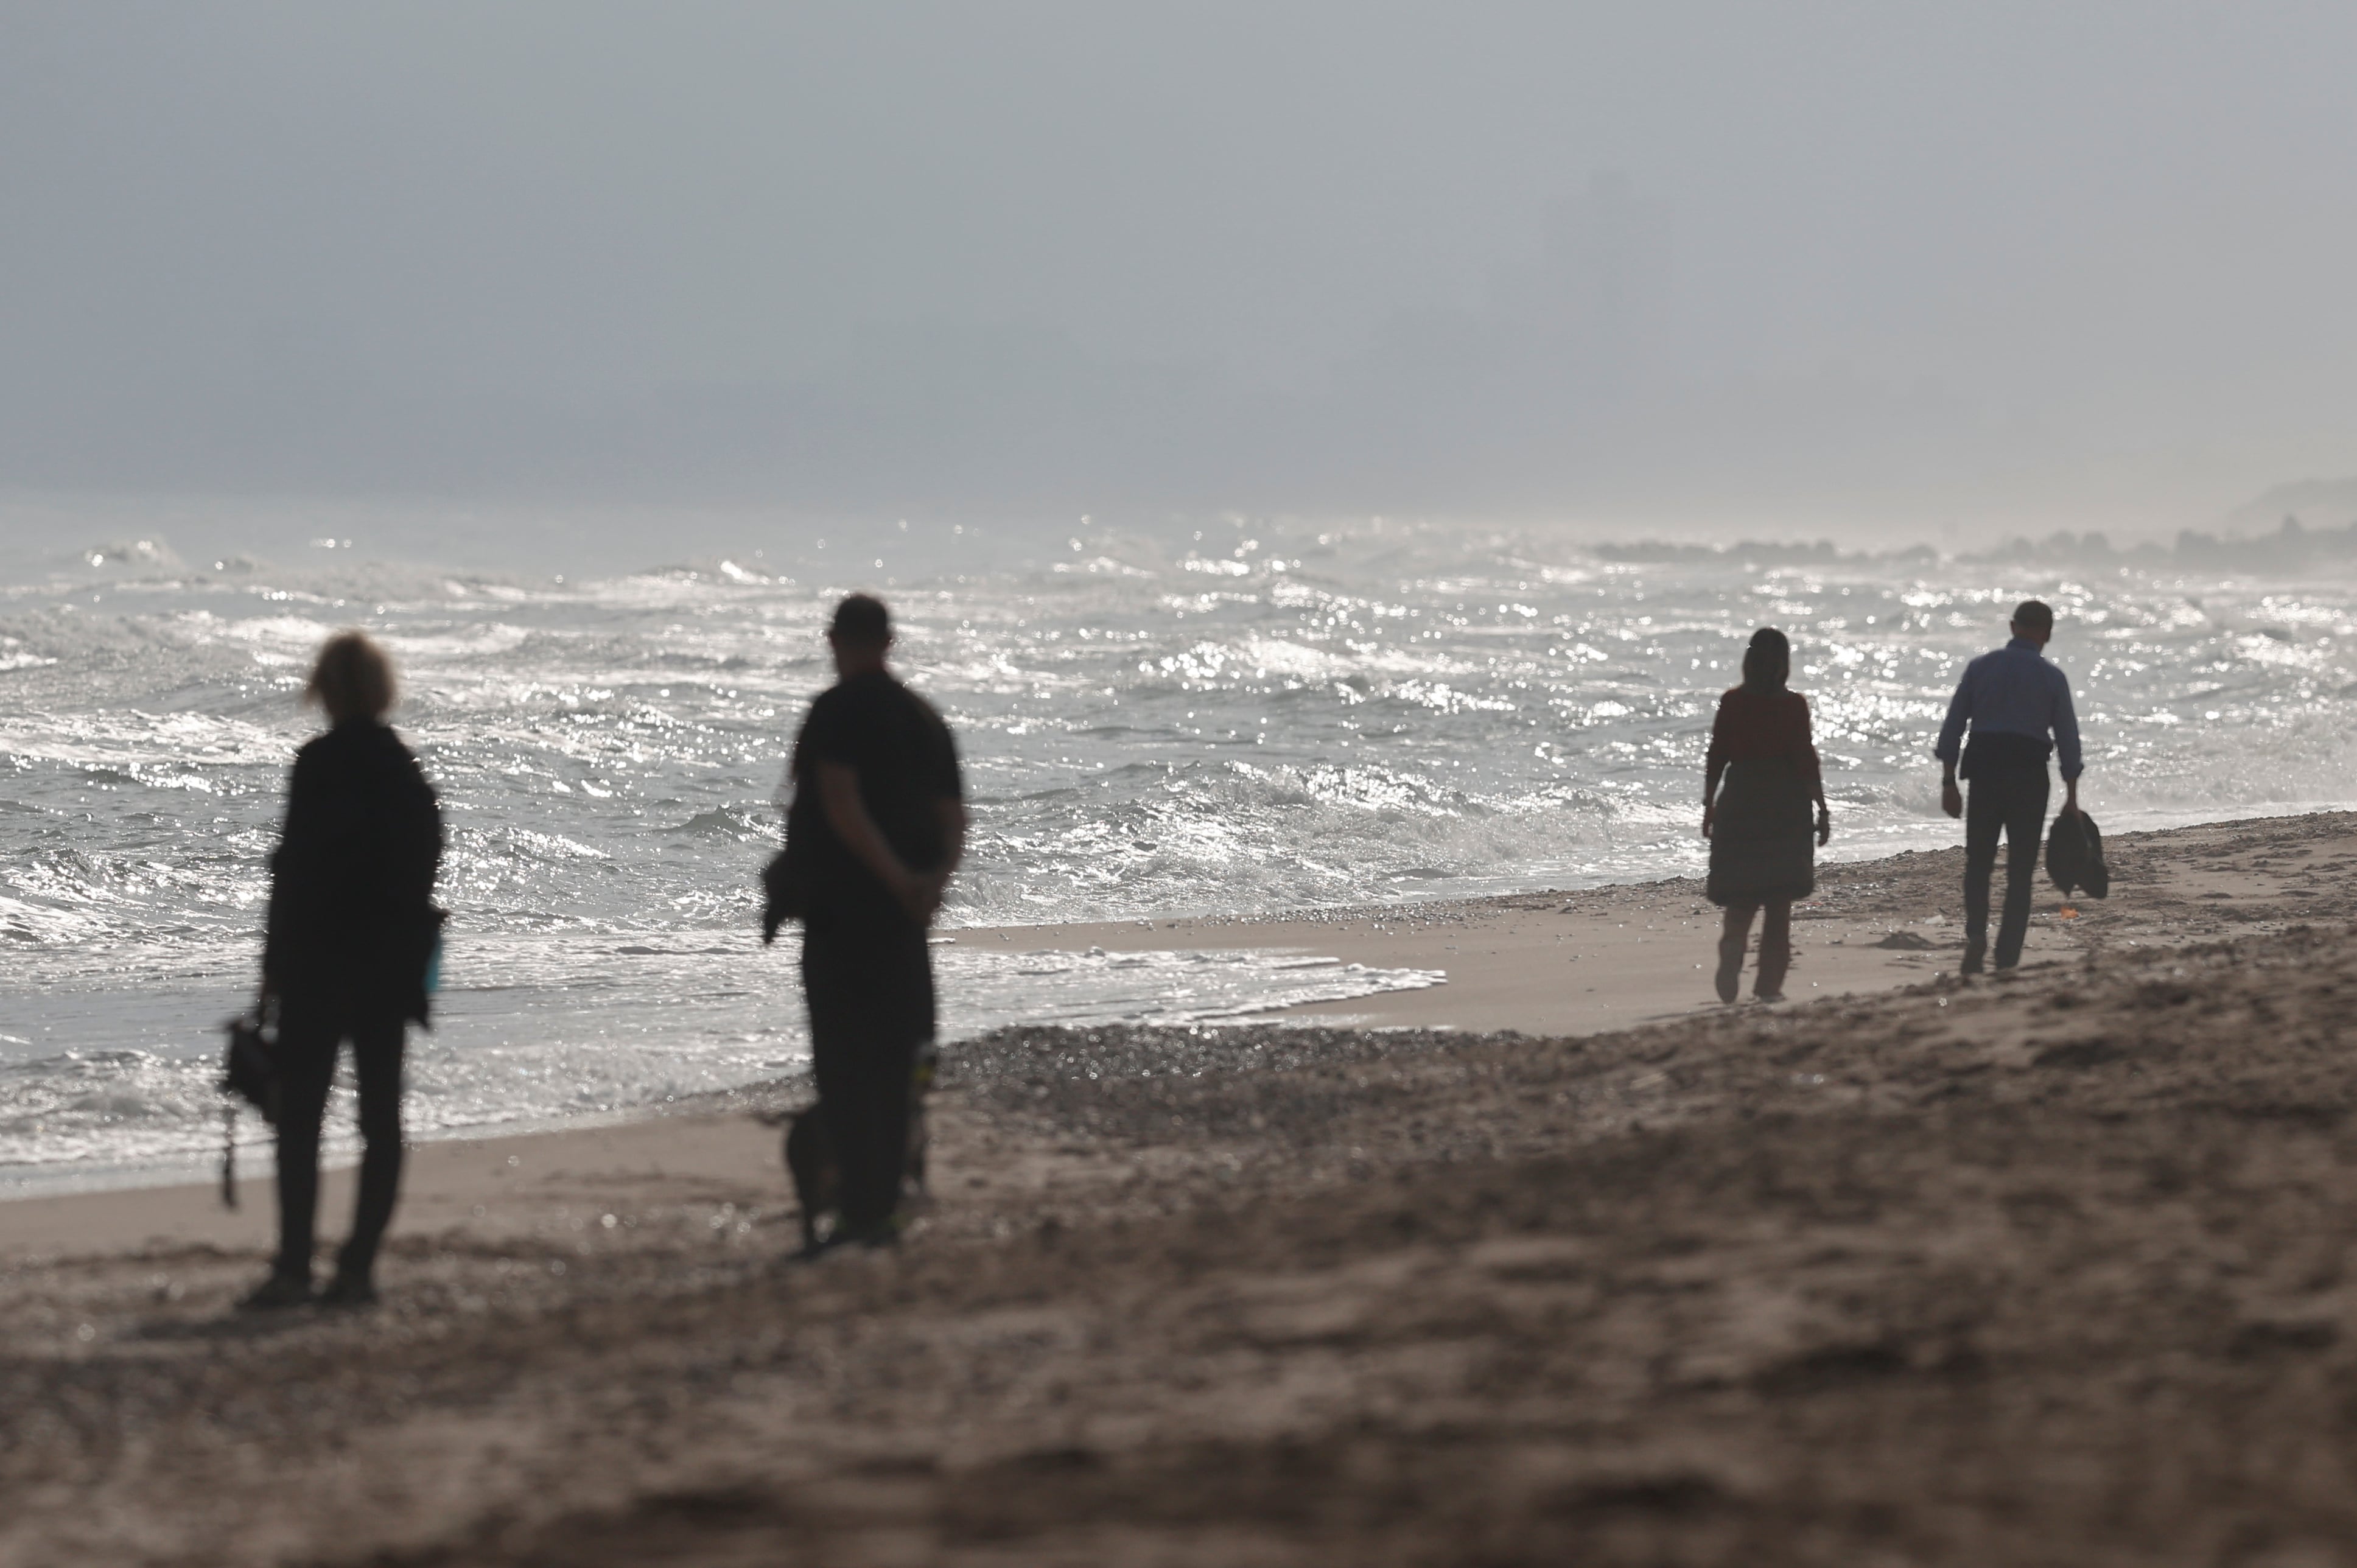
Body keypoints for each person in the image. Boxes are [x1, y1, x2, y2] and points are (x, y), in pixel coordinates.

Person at [242, 632, 443, 1311]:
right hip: (387, 967)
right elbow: (424, 869)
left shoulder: (317, 763)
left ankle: (295, 1266)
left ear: (324, 688)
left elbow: (294, 874)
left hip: (317, 965)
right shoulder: (403, 768)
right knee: (380, 1120)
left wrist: (271, 969)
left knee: (301, 1119)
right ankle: (358, 1267)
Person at [785, 594, 965, 1250]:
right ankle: (886, 1202)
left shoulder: (835, 712)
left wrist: (891, 877)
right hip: (904, 920)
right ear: (889, 641)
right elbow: (953, 819)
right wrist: (927, 885)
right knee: (900, 1061)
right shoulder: (923, 718)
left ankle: (861, 1208)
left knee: (845, 1062)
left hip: (842, 916)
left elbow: (838, 800)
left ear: (834, 638)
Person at [1935, 599, 2082, 975]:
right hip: (2029, 776)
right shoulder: (2052, 678)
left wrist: (1949, 783)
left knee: (1978, 863)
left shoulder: (1981, 668)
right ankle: (2007, 955)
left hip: (1984, 772)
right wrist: (2072, 797)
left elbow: (1953, 728)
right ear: (2047, 635)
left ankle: (1975, 936)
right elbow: (2067, 739)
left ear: (2012, 626)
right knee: (2021, 869)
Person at [1703, 628, 1832, 1003]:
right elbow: (1807, 760)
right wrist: (1822, 808)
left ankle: (1732, 949)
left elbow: (1717, 755)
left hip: (1741, 796)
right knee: (1779, 903)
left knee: (1741, 895)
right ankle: (1769, 987)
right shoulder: (1793, 705)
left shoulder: (1732, 702)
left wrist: (1709, 805)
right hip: (1785, 804)